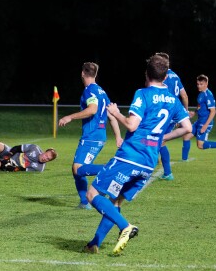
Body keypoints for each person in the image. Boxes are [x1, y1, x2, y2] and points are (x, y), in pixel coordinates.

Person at [82, 54, 192, 255]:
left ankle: (125, 226)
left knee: (92, 194)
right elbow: (187, 128)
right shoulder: (173, 100)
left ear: (146, 74)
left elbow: (132, 124)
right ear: (166, 77)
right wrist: (163, 137)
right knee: (114, 202)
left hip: (130, 156)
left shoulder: (143, 94)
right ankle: (94, 244)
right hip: (149, 163)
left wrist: (115, 113)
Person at [57, 62, 122, 209]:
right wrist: (118, 136)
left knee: (77, 168)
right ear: (96, 74)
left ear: (82, 73)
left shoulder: (89, 90)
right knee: (78, 170)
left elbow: (92, 110)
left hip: (91, 137)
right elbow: (111, 116)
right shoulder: (102, 92)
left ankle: (110, 169)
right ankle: (84, 202)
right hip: (100, 136)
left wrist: (70, 117)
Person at [154, 52, 190, 180]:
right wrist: (184, 114)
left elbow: (159, 95)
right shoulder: (176, 76)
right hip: (174, 112)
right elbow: (184, 96)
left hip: (164, 112)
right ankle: (164, 169)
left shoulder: (162, 76)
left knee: (159, 140)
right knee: (159, 140)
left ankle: (167, 173)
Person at [190, 75, 216, 155]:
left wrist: (205, 125)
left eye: (201, 84)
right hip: (199, 121)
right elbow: (199, 106)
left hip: (204, 122)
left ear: (206, 84)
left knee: (200, 145)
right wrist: (194, 112)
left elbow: (213, 111)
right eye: (198, 84)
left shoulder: (208, 95)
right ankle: (184, 160)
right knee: (186, 135)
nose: (199, 86)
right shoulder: (201, 94)